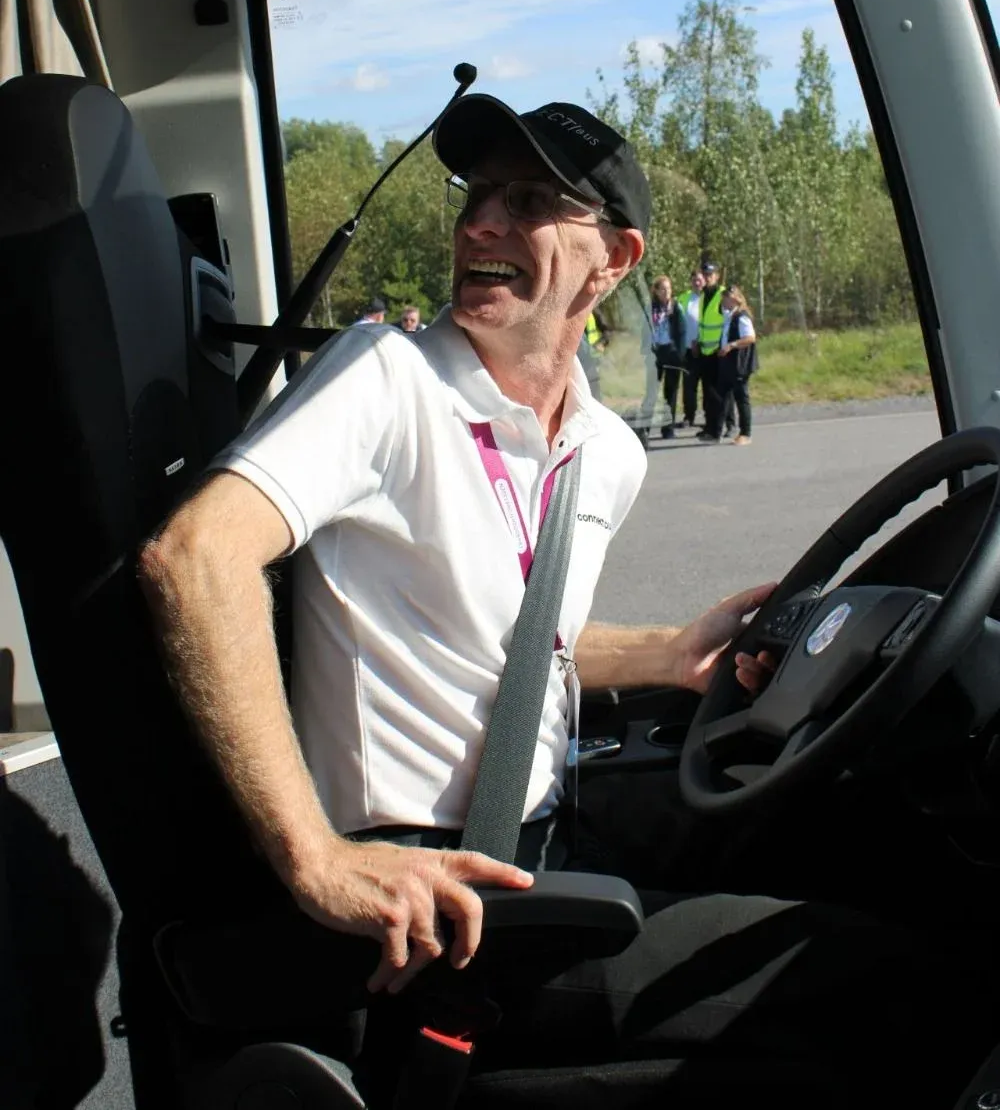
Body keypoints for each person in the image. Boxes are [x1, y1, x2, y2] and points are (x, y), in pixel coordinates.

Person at [138, 97, 987, 1107]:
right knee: (888, 982)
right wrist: (314, 860)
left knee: (849, 847)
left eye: (530, 201)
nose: (481, 223)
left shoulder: (604, 452)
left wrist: (670, 652)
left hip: (546, 830)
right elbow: (194, 557)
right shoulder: (385, 379)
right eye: (478, 196)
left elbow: (517, 640)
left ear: (611, 259)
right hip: (432, 900)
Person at [718, 284, 758, 445]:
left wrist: (731, 345)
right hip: (729, 363)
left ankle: (746, 433)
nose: (723, 302)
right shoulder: (729, 315)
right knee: (726, 395)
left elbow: (750, 338)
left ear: (734, 299)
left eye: (725, 299)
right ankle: (722, 427)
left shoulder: (742, 316)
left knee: (742, 397)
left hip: (740, 363)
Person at [649, 276, 685, 439]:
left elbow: (682, 332)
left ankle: (668, 428)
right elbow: (644, 330)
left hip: (671, 352)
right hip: (655, 353)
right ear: (656, 291)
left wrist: (680, 355)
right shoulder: (651, 308)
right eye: (663, 289)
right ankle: (645, 429)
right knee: (651, 392)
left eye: (668, 288)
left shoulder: (676, 307)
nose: (666, 292)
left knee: (670, 392)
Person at [694, 260, 727, 442]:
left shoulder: (722, 295)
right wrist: (698, 341)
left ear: (717, 276)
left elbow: (727, 323)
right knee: (707, 393)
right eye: (705, 274)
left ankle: (716, 431)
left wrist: (724, 345)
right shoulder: (703, 296)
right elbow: (703, 323)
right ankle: (708, 427)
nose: (707, 278)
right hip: (705, 351)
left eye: (710, 275)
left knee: (717, 395)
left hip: (718, 352)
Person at [674, 268, 704, 428]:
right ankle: (689, 416)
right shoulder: (684, 298)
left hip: (706, 349)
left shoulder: (710, 298)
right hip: (687, 349)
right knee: (688, 386)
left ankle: (711, 419)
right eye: (694, 280)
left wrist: (699, 341)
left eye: (699, 279)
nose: (697, 282)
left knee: (709, 386)